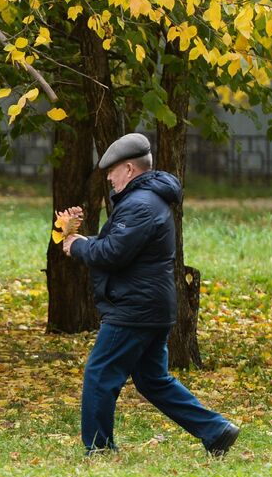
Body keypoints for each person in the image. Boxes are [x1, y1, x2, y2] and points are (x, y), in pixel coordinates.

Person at [56, 132, 240, 456]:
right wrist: (74, 235)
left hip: (135, 309)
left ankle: (98, 450)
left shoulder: (140, 205)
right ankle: (216, 431)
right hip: (149, 306)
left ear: (128, 169)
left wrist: (80, 245)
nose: (109, 178)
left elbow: (112, 253)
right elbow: (117, 246)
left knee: (99, 375)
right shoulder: (142, 202)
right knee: (153, 380)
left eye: (112, 170)